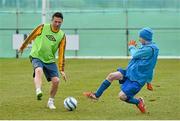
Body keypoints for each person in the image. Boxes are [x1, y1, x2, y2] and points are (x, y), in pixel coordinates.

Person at [83, 27, 159, 113]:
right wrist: (149, 81)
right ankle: (96, 95)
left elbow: (135, 55)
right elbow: (150, 66)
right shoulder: (147, 46)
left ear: (145, 38)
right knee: (111, 76)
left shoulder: (150, 49)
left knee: (122, 96)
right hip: (130, 72)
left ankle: (138, 102)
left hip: (137, 79)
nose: (139, 39)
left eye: (140, 37)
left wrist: (131, 47)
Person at [19, 12, 67, 110]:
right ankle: (38, 90)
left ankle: (50, 101)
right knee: (38, 70)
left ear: (62, 22)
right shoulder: (42, 27)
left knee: (56, 81)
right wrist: (23, 46)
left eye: (59, 22)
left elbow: (62, 52)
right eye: (55, 21)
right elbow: (31, 36)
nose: (57, 24)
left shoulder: (62, 35)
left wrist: (62, 69)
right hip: (37, 55)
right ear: (52, 20)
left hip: (49, 60)